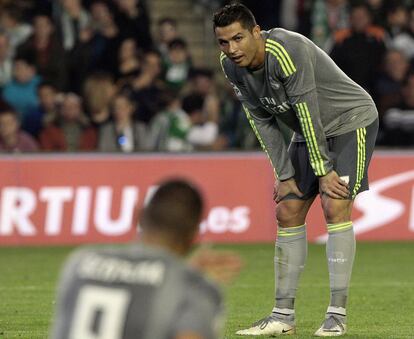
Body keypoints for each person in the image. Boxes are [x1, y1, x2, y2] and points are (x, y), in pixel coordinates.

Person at [213, 3, 378, 337]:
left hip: (350, 121)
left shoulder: (287, 50)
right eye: (224, 42)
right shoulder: (232, 67)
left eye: (238, 38)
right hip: (308, 131)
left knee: (335, 205)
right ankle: (282, 316)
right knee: (287, 210)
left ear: (256, 31)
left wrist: (323, 170)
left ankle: (336, 314)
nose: (232, 49)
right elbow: (261, 119)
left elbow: (306, 108)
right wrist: (283, 172)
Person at [50, 178, 241, 339]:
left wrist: (180, 274)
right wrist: (189, 279)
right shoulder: (194, 288)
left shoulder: (80, 262)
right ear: (194, 235)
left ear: (138, 216)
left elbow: (137, 283)